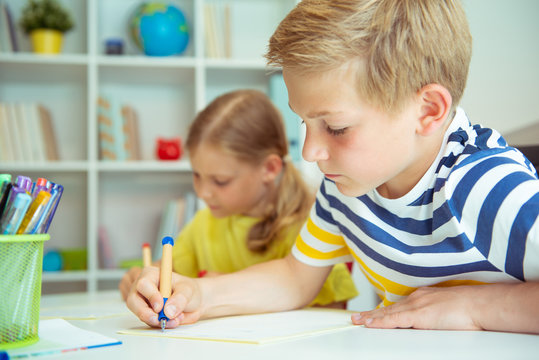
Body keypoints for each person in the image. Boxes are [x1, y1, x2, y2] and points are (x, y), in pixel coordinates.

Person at [126, 0, 539, 333]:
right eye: (304, 123)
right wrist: (198, 295)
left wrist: (476, 306)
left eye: (336, 128)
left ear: (428, 110)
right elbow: (295, 277)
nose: (309, 152)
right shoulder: (348, 188)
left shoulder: (485, 185)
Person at [119, 89, 358, 309]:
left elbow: (333, 311)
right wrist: (147, 281)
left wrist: (231, 293)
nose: (203, 192)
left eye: (220, 181)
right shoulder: (203, 225)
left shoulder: (310, 228)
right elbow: (167, 274)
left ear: (269, 168)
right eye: (197, 175)